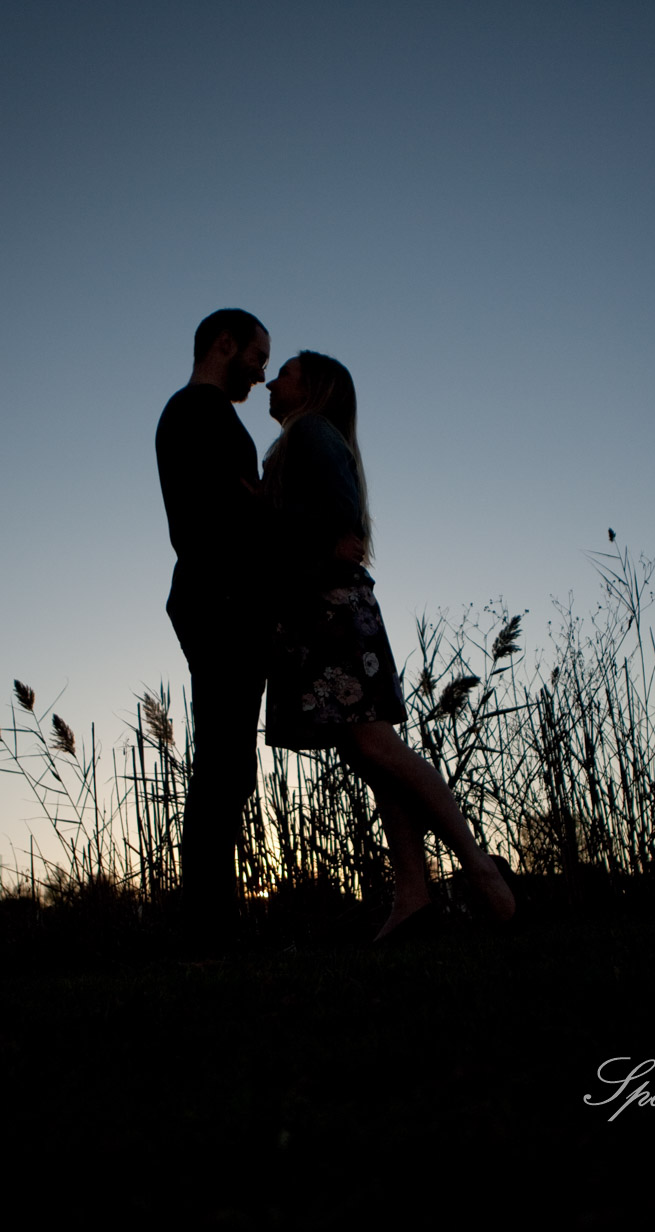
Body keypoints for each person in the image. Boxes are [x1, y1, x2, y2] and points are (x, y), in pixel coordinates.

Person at [261, 351, 516, 941]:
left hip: (332, 611)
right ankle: (412, 898)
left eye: (287, 373)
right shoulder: (297, 442)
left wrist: (315, 554)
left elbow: (341, 517)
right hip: (321, 610)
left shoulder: (312, 432)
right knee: (367, 754)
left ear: (315, 388)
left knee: (375, 745)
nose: (274, 381)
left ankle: (480, 871)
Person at [155, 308, 272, 938]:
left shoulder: (202, 415)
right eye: (257, 355)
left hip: (221, 597)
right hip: (220, 597)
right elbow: (222, 510)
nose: (263, 371)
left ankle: (213, 921)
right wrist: (264, 503)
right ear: (223, 344)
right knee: (223, 762)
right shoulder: (197, 412)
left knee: (229, 761)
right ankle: (208, 927)